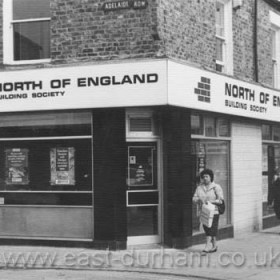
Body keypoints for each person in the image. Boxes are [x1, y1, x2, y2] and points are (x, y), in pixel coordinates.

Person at [192, 168, 224, 253]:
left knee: (211, 228)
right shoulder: (199, 188)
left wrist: (210, 201)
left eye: (207, 176)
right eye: (203, 177)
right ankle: (214, 245)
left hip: (214, 211)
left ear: (211, 177)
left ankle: (207, 246)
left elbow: (220, 200)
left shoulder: (216, 187)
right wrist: (198, 200)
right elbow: (194, 198)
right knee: (206, 228)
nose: (205, 178)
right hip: (204, 211)